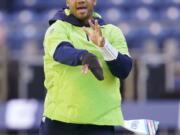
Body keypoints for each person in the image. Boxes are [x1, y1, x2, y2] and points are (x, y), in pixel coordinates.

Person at [40, 0, 133, 135]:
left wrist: (104, 46)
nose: (80, 1)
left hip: (100, 124)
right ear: (67, 1)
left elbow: (124, 69)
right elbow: (61, 52)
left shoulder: (112, 32)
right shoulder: (57, 28)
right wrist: (85, 56)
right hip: (59, 123)